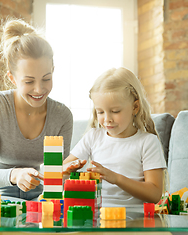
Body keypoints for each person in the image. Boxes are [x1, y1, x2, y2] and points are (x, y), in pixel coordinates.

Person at [0, 19, 73, 200]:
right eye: (29, 81)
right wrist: (14, 175)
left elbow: (57, 177)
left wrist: (67, 171)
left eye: (46, 79)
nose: (39, 90)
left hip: (39, 195)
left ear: (53, 70)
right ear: (13, 77)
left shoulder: (62, 116)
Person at [63, 67, 167, 209]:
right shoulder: (93, 137)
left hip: (133, 219)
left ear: (135, 107)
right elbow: (61, 171)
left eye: (115, 111)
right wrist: (68, 170)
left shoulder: (147, 142)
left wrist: (116, 178)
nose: (107, 119)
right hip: (96, 216)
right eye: (100, 111)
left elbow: (155, 194)